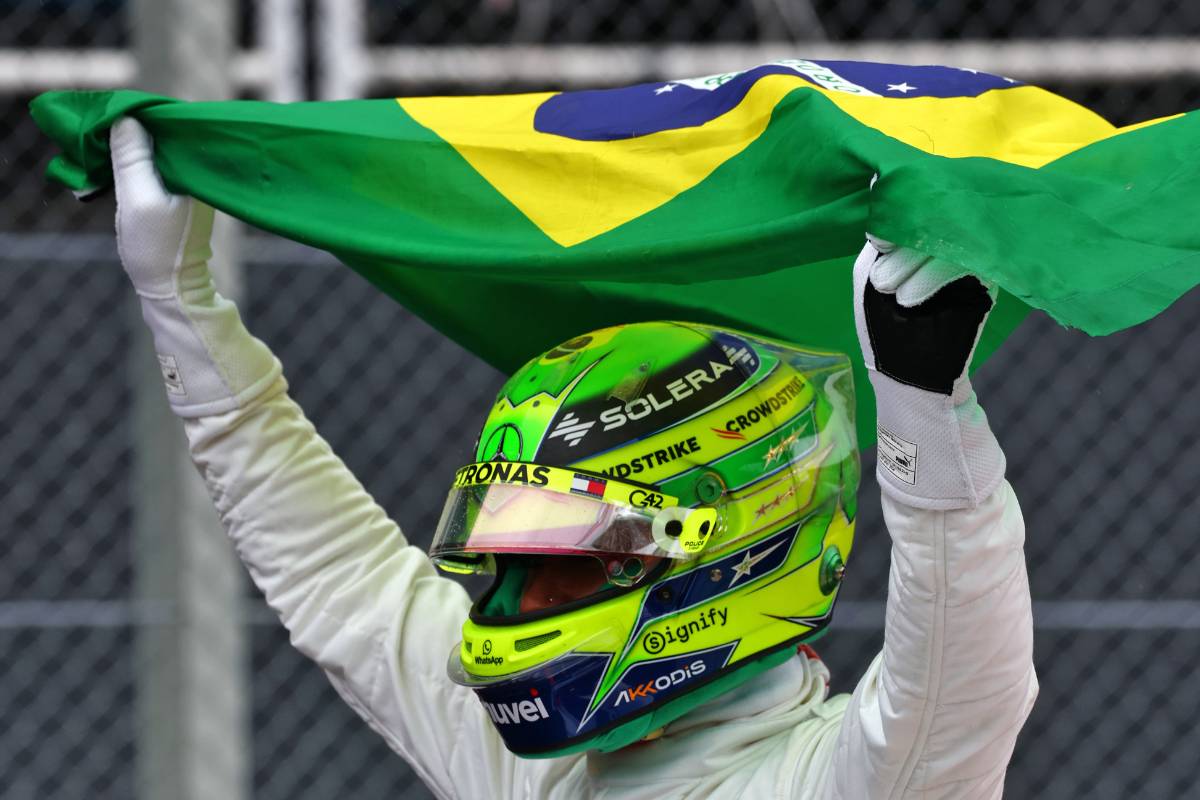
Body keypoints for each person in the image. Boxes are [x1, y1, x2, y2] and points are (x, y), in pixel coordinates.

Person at [109, 116, 1037, 798]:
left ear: (725, 550)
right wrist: (179, 302)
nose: (511, 604)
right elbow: (333, 575)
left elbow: (961, 676)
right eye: (510, 562)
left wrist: (925, 406)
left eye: (565, 561)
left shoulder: (855, 780)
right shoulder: (524, 773)